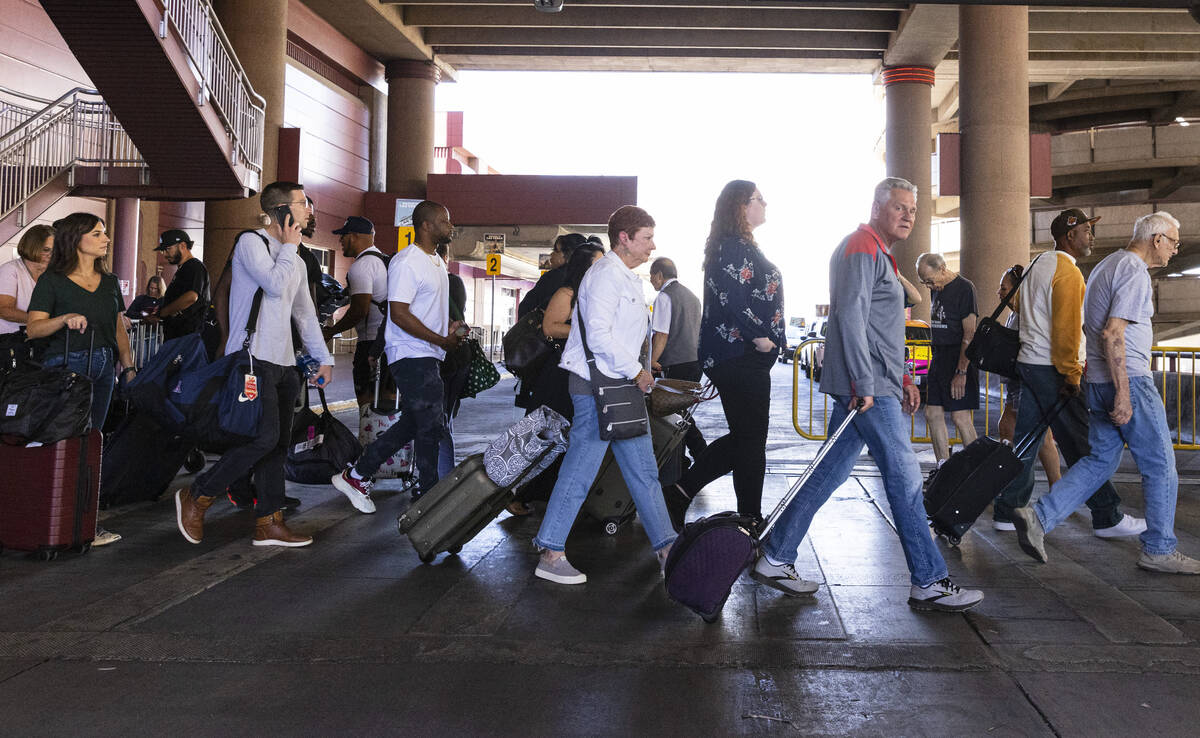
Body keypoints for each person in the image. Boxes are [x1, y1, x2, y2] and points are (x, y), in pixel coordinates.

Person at [754, 178, 983, 612]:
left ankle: (775, 555)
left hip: (877, 383)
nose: (908, 216)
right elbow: (852, 317)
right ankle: (930, 580)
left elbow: (881, 328)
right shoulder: (862, 246)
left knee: (829, 473)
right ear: (877, 207)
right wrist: (864, 382)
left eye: (912, 210)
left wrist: (904, 379)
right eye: (899, 207)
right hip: (868, 388)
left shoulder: (878, 252)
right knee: (905, 478)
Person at [1013, 211, 1200, 574]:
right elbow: (1113, 333)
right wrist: (1125, 393)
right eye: (1174, 243)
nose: (1175, 251)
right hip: (1127, 380)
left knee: (1100, 461)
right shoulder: (1133, 271)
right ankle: (1159, 548)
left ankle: (1038, 516)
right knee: (1161, 466)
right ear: (1157, 239)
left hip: (1097, 381)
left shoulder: (1105, 266)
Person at [173, 182, 333, 548]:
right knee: (261, 438)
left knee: (276, 444)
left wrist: (322, 358)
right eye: (302, 204)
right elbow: (275, 286)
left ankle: (269, 522)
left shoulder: (294, 254)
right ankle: (197, 495)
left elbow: (305, 312)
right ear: (280, 210)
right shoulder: (251, 244)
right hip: (253, 359)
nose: (309, 210)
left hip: (285, 364)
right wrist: (291, 249)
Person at [531, 205, 676, 585]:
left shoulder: (625, 277)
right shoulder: (607, 275)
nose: (652, 245)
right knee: (581, 469)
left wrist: (635, 373)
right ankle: (550, 552)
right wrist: (638, 372)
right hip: (598, 388)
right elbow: (598, 335)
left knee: (644, 472)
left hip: (617, 387)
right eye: (646, 237)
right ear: (624, 238)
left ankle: (667, 547)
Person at [992, 208, 1140, 538]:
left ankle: (1006, 510)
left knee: (1025, 443)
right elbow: (1066, 330)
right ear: (1069, 236)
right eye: (1087, 231)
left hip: (1029, 364)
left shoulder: (1034, 265)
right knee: (1084, 445)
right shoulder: (1068, 273)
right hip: (1055, 370)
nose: (1092, 237)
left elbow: (1026, 314)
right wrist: (1072, 375)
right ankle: (1107, 515)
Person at [331, 200, 465, 513]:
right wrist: (440, 339)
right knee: (430, 426)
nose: (451, 226)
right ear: (427, 225)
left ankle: (357, 474)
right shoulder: (406, 262)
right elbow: (400, 315)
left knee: (416, 422)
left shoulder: (436, 262)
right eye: (445, 221)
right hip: (410, 353)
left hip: (429, 353)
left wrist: (450, 329)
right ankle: (429, 497)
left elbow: (425, 311)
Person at [663, 180, 784, 528]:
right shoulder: (732, 247)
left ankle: (741, 512)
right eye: (758, 199)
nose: (765, 203)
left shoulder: (741, 245)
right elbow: (734, 300)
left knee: (748, 440)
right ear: (740, 207)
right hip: (739, 354)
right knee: (750, 439)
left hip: (741, 356)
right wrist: (760, 337)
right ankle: (737, 512)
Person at [27, 213, 137, 548]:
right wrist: (64, 319)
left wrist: (128, 365)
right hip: (65, 367)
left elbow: (117, 326)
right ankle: (52, 521)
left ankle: (83, 523)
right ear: (76, 240)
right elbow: (34, 328)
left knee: (91, 443)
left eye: (105, 233)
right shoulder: (53, 281)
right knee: (64, 443)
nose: (105, 239)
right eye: (97, 233)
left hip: (103, 366)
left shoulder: (108, 282)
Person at [507, 241, 605, 516]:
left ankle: (550, 495)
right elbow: (551, 327)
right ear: (584, 266)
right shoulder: (567, 292)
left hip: (579, 373)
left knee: (567, 438)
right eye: (597, 264)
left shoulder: (593, 294)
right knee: (545, 435)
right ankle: (517, 493)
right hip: (557, 374)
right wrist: (583, 331)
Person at [994, 265, 1063, 491]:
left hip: (1027, 381)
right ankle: (1051, 486)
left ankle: (1026, 489)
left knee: (1039, 437)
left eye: (1003, 288)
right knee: (1009, 428)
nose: (999, 292)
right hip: (1016, 382)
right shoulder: (1015, 313)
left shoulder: (1029, 314)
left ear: (1017, 289)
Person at [914, 253, 979, 464]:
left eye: (930, 281)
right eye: (924, 282)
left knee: (960, 417)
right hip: (939, 357)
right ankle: (943, 466)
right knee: (932, 413)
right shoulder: (937, 289)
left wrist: (961, 372)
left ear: (942, 269)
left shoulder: (964, 288)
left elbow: (969, 334)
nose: (929, 286)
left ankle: (978, 472)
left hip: (958, 357)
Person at [515, 233, 589, 411]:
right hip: (559, 356)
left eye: (555, 251)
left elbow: (525, 308)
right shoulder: (572, 283)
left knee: (545, 411)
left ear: (568, 254)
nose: (551, 255)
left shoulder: (557, 278)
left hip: (550, 357)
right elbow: (549, 325)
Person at [322, 216, 387, 408]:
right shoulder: (382, 261)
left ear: (355, 236)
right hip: (387, 342)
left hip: (370, 344)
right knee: (385, 406)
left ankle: (369, 438)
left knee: (367, 404)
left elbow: (359, 310)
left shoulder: (361, 266)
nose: (340, 241)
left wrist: (330, 332)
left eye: (343, 236)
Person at [649, 256, 706, 466]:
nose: (651, 282)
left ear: (659, 275)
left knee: (671, 413)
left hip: (676, 363)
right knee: (679, 412)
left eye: (652, 277)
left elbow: (661, 335)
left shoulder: (665, 296)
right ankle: (684, 458)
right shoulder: (692, 297)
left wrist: (651, 362)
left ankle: (696, 454)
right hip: (694, 362)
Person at [437, 241, 470, 477]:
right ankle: (444, 474)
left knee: (436, 420)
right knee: (445, 417)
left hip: (439, 357)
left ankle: (440, 476)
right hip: (458, 357)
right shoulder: (455, 282)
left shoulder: (431, 281)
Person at [148, 229, 210, 341]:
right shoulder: (183, 269)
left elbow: (191, 297)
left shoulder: (194, 266)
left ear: (182, 245)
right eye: (163, 251)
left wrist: (162, 313)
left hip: (187, 337)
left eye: (168, 249)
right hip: (178, 336)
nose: (165, 255)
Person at [0, 224, 54, 338]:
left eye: (55, 251)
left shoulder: (52, 274)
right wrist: (43, 321)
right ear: (32, 247)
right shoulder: (10, 270)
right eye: (46, 250)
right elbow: (4, 310)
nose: (51, 255)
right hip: (10, 339)